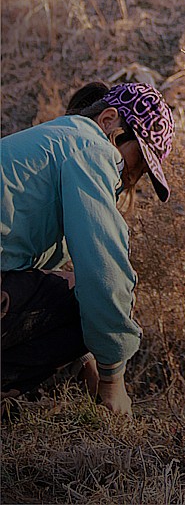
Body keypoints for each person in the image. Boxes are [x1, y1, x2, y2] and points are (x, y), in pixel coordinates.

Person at [1, 81, 174, 415]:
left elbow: (43, 274)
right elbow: (104, 274)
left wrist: (87, 359)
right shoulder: (90, 147)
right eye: (132, 167)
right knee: (90, 295)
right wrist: (113, 378)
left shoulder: (54, 142)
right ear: (109, 122)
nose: (126, 182)